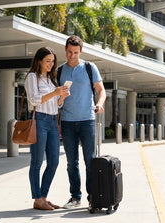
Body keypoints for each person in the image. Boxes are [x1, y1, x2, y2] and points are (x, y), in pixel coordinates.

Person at [58, 35, 106, 209]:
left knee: (90, 161)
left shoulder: (89, 67)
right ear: (65, 50)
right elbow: (57, 100)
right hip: (68, 122)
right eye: (69, 52)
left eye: (75, 52)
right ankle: (75, 197)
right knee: (72, 163)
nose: (72, 56)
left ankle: (93, 197)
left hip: (87, 120)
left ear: (81, 51)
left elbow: (101, 91)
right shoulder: (59, 71)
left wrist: (99, 104)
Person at [25, 47, 70, 210]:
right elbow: (34, 100)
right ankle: (37, 198)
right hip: (39, 120)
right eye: (47, 61)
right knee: (37, 161)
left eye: (52, 61)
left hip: (52, 121)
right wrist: (54, 93)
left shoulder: (52, 80)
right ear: (39, 61)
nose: (51, 64)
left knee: (54, 161)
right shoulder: (32, 77)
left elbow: (57, 105)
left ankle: (43, 197)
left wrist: (62, 96)